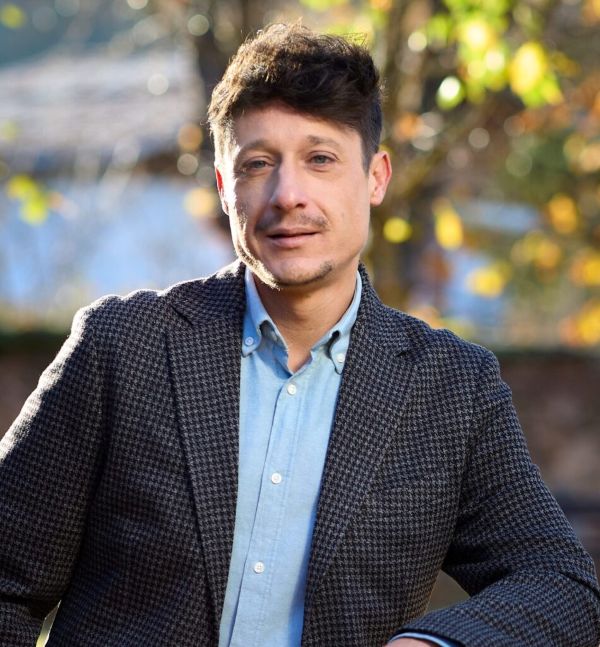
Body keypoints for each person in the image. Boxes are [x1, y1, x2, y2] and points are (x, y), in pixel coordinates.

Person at [1, 23, 599, 647]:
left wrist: (430, 645)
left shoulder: (451, 390)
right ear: (224, 187)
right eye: (258, 164)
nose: (288, 195)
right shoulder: (124, 348)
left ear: (375, 177)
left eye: (321, 159)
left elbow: (560, 582)